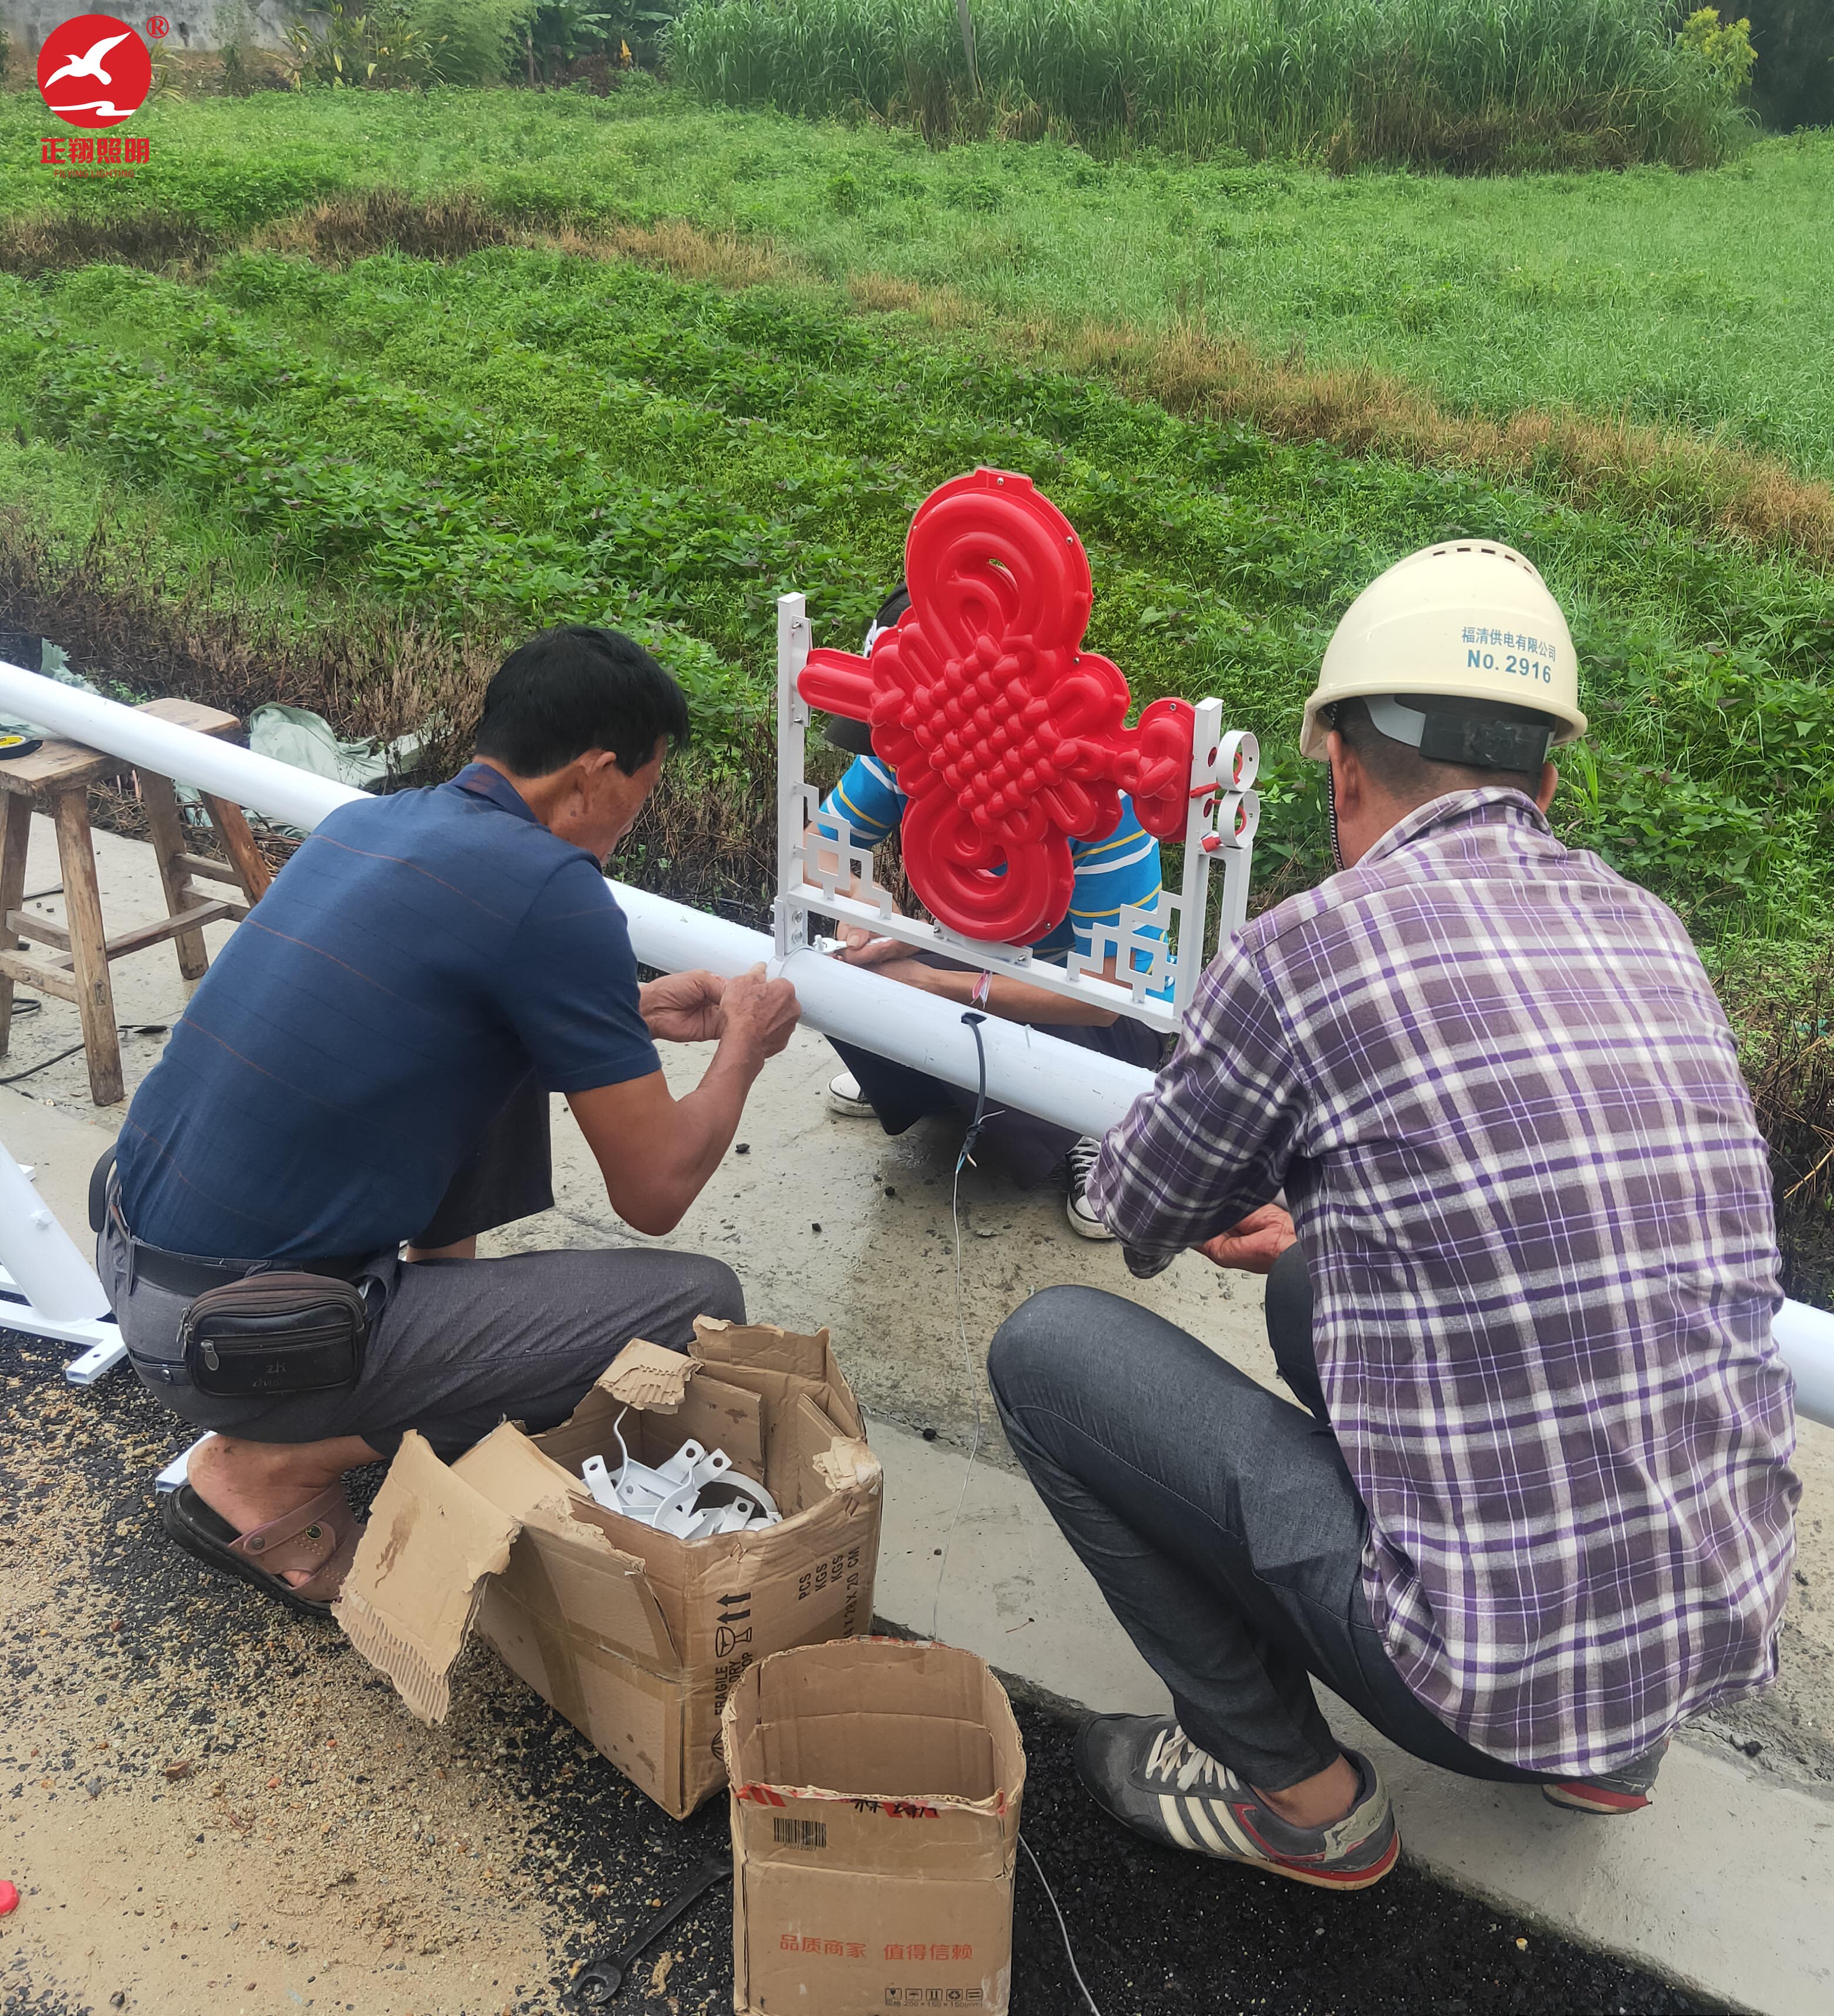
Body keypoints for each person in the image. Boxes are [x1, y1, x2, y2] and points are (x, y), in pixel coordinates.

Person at [989, 541, 1798, 1890]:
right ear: (1543, 781)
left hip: (1468, 1684)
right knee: (1309, 1286)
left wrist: (1254, 1165)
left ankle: (1299, 1799)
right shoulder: (1649, 929)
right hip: (1703, 1639)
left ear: (1342, 767)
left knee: (1050, 1353)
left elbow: (1134, 1204)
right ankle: (1606, 1750)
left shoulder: (1306, 948)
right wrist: (1333, 1212)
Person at [101, 626, 801, 1615]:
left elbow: (431, 1010)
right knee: (691, 1301)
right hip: (241, 1344)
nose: (629, 826)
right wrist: (745, 1046)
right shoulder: (556, 891)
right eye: (640, 794)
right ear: (598, 773)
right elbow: (655, 1194)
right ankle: (271, 1468)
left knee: (501, 1052)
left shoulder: (371, 822)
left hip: (140, 1263)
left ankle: (425, 1336)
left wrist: (623, 1015)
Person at [812, 585, 1166, 1240]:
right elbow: (821, 850)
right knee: (841, 969)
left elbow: (1111, 996)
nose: (895, 754)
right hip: (973, 956)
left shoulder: (1098, 803)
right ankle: (930, 1093)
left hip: (1094, 1014)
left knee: (938, 997)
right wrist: (867, 911)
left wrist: (932, 984)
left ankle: (1097, 1126)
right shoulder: (906, 754)